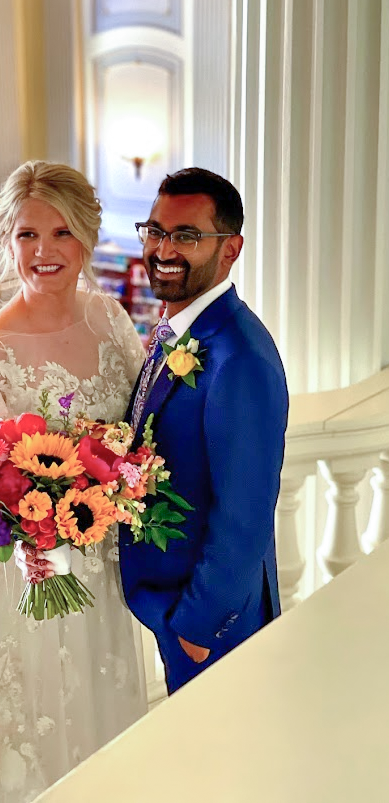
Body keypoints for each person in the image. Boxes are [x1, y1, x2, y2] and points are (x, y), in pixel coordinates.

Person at [0, 160, 148, 803]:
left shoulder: (112, 323)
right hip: (21, 584)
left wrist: (111, 487)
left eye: (61, 233)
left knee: (100, 726)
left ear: (87, 238)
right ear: (5, 241)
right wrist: (27, 514)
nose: (44, 252)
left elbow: (132, 439)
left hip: (97, 570)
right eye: (27, 235)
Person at [119, 167, 289, 695]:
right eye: (155, 231)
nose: (164, 248)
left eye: (187, 236)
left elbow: (246, 514)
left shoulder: (239, 357)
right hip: (171, 604)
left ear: (230, 249)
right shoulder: (178, 328)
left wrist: (196, 626)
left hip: (213, 624)